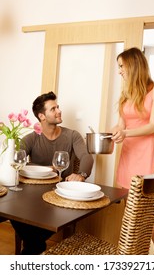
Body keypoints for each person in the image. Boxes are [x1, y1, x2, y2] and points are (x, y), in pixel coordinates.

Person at [11, 91, 94, 254]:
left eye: (58, 107)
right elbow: (16, 160)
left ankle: (30, 251)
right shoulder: (31, 138)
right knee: (14, 211)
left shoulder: (72, 135)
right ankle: (34, 248)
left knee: (33, 240)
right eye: (53, 109)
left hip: (58, 196)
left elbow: (86, 157)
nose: (59, 111)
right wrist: (48, 169)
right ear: (42, 116)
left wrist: (81, 174)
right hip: (30, 197)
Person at [111, 47, 154, 255]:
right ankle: (134, 251)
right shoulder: (126, 94)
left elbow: (153, 126)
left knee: (146, 209)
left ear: (133, 65)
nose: (119, 71)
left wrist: (125, 132)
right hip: (128, 153)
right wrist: (115, 132)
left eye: (121, 66)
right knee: (130, 207)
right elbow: (121, 124)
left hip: (146, 153)